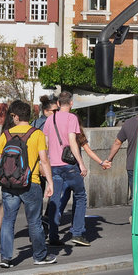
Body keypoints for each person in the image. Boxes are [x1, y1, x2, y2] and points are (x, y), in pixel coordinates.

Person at [0, 100, 56, 267]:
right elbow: (44, 160)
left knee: (8, 220)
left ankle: (6, 258)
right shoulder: (36, 134)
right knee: (34, 221)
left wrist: (0, 180)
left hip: (9, 184)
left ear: (15, 116)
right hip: (31, 182)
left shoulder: (6, 135)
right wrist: (50, 182)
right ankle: (39, 256)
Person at [44, 91, 91, 246]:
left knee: (54, 200)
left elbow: (45, 144)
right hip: (69, 165)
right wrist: (81, 163)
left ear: (58, 104)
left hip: (53, 166)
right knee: (80, 196)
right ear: (71, 103)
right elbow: (72, 141)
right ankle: (77, 232)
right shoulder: (72, 118)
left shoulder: (50, 119)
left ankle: (53, 235)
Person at [105, 113, 138, 203]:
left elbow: (117, 142)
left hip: (132, 164)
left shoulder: (128, 123)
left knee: (136, 196)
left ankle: (134, 215)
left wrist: (109, 159)